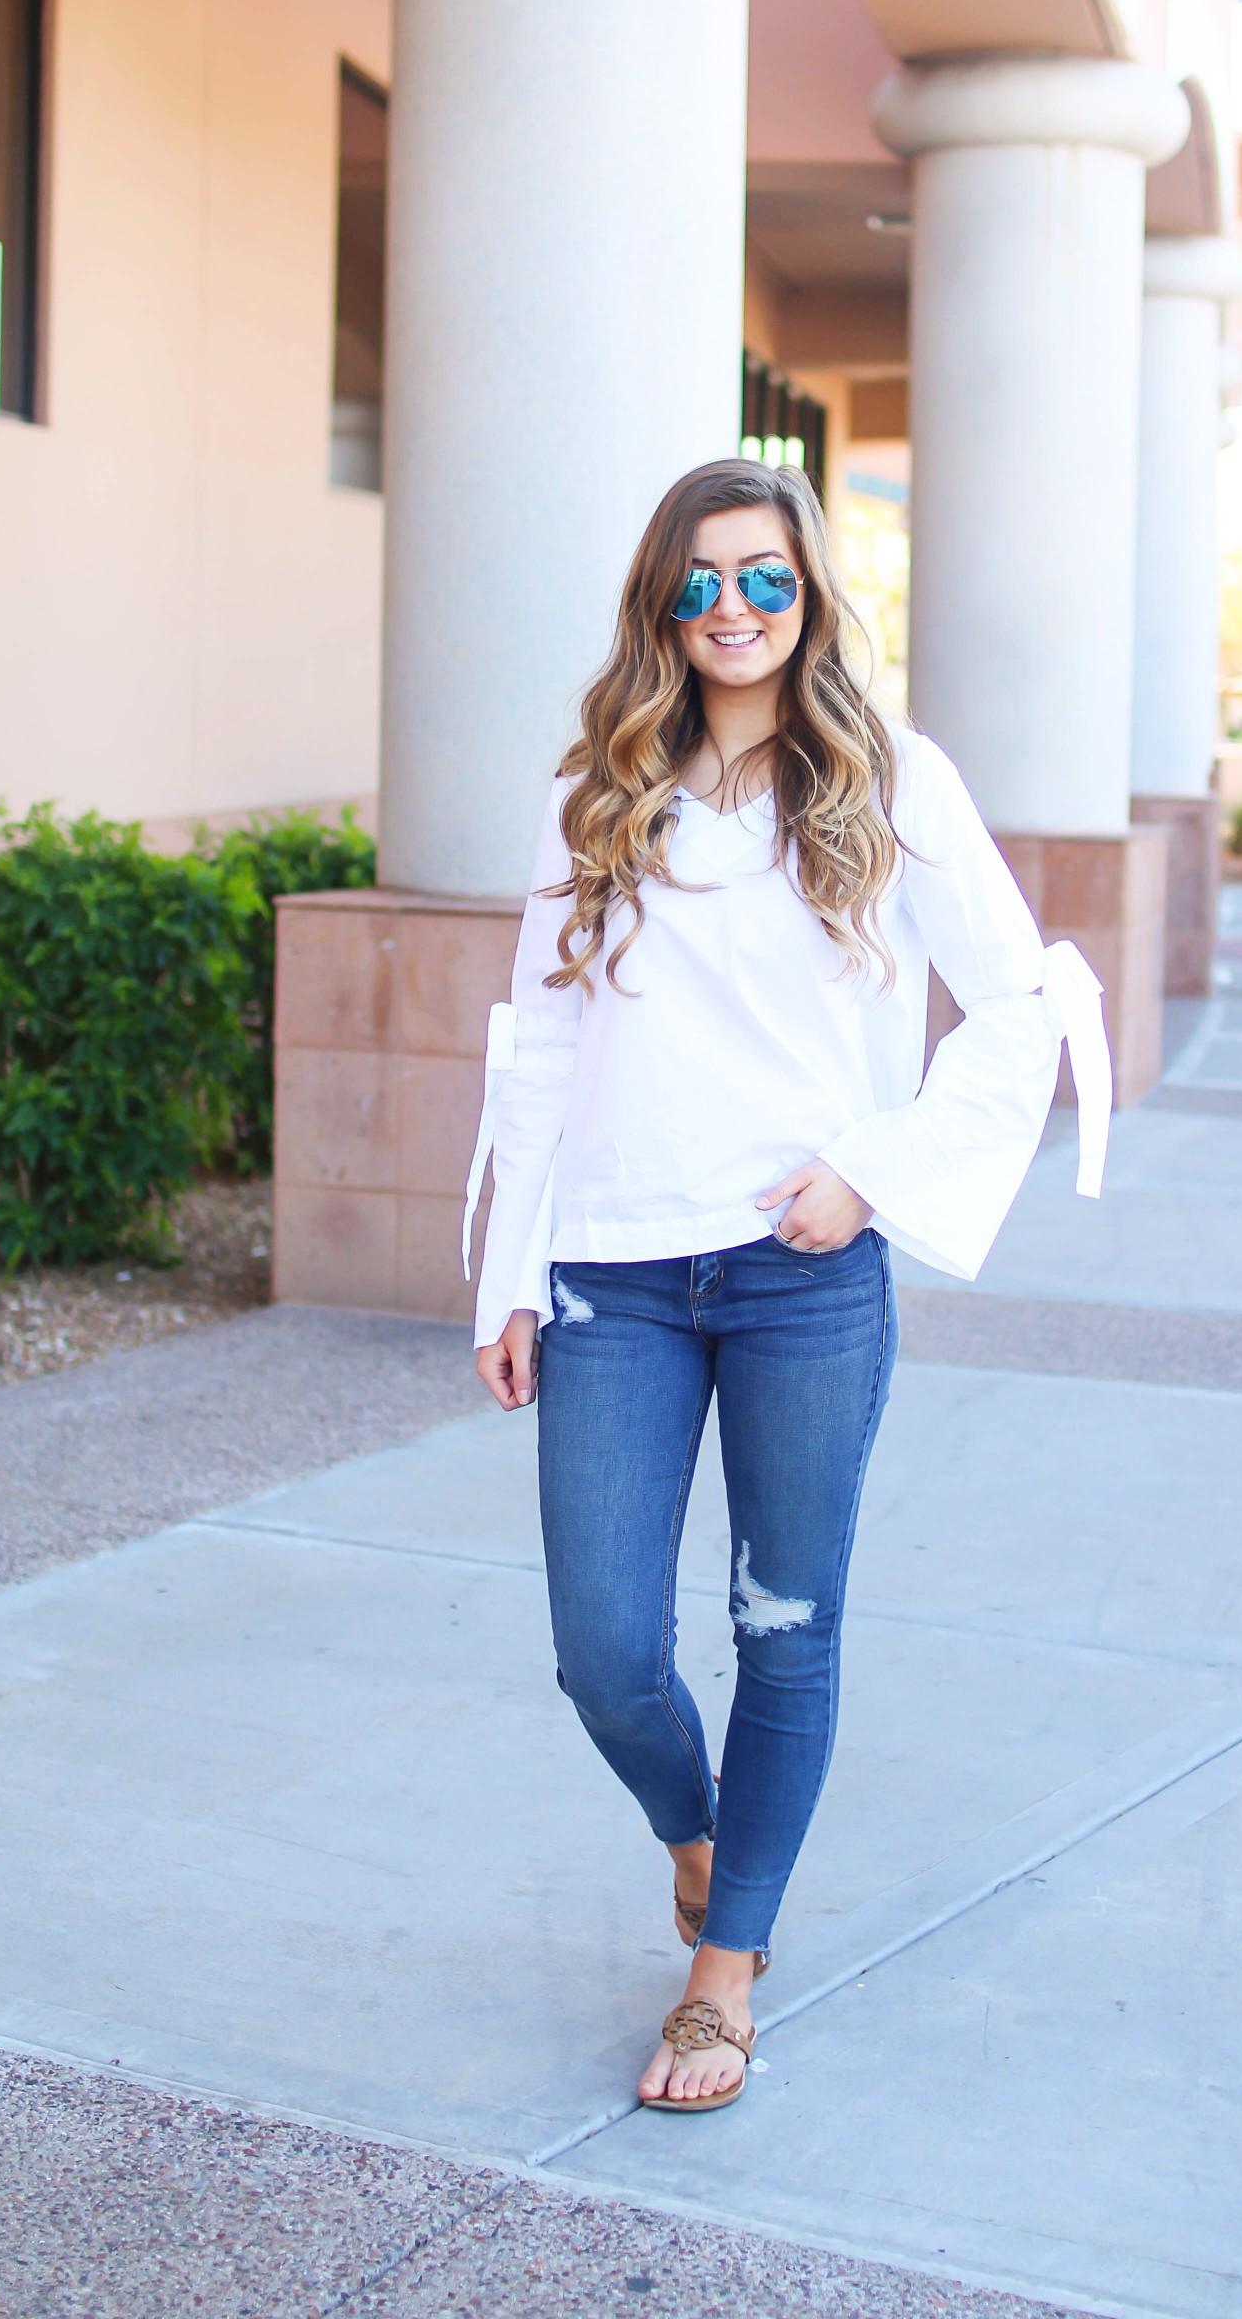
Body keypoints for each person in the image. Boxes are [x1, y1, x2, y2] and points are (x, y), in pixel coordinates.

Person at [465, 457, 1108, 2112]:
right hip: (613, 1270)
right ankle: (703, 1840)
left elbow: (1022, 1006)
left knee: (786, 1630)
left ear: (812, 590)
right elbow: (541, 1039)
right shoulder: (595, 792)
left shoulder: (895, 781)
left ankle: (723, 1971)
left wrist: (871, 1175)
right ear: (659, 603)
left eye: (763, 578)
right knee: (603, 1648)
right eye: (699, 583)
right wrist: (507, 1277)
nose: (732, 609)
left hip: (800, 1274)